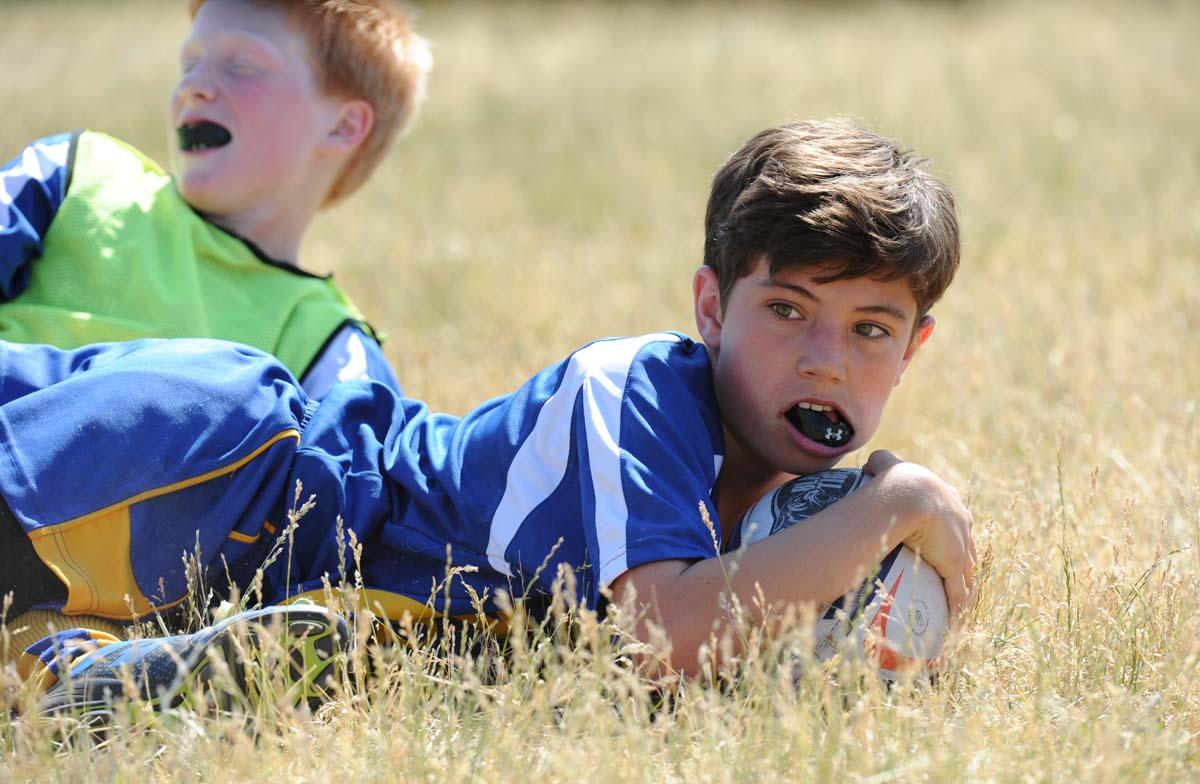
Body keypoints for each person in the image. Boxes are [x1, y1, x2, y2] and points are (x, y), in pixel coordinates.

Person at [1, 119, 975, 694]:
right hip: (263, 470)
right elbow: (669, 634)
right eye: (788, 310)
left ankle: (65, 668)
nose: (825, 361)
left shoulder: (797, 517)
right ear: (712, 309)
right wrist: (898, 504)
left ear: (913, 349)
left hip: (300, 592)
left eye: (870, 329)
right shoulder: (636, 391)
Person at [0, 0, 432, 399]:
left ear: (341, 127)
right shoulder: (76, 176)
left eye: (241, 65)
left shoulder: (324, 341)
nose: (192, 86)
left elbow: (357, 455)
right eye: (189, 64)